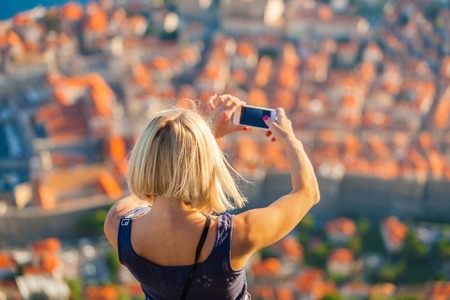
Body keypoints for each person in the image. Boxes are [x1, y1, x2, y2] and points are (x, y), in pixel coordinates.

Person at [104, 94, 320, 300]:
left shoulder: (117, 227)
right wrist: (291, 141)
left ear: (143, 161)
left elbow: (146, 192)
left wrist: (202, 140)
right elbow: (307, 193)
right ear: (205, 164)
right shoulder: (237, 237)